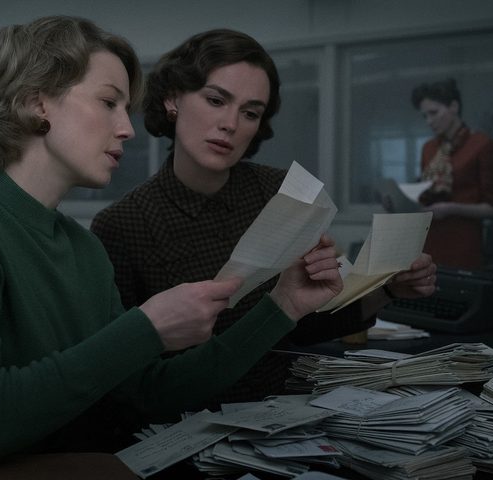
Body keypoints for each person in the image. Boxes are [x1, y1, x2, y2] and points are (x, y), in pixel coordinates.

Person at [0, 17, 345, 479]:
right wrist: (145, 328)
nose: (127, 129)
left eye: (126, 109)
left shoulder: (83, 248)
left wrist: (282, 305)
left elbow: (147, 393)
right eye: (108, 102)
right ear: (37, 103)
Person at [91, 28, 437, 407]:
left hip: (284, 409)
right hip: (183, 417)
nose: (231, 123)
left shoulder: (281, 192)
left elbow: (301, 326)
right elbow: (127, 380)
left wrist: (387, 290)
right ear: (173, 99)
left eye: (250, 112)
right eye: (216, 100)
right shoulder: (122, 224)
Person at [410, 78, 493, 270]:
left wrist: (451, 208)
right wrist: (400, 202)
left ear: (453, 106)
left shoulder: (482, 145)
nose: (429, 121)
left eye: (434, 113)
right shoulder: (429, 148)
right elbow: (424, 195)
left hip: (463, 243)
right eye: (424, 116)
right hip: (429, 240)